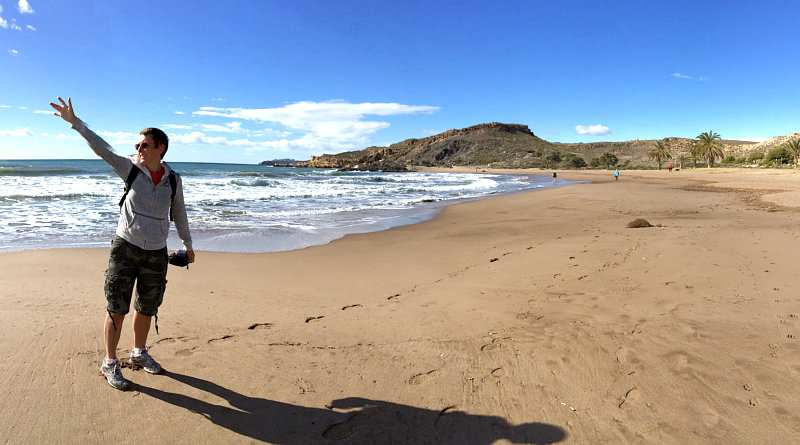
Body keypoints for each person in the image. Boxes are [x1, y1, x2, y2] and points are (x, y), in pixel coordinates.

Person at [50, 97, 195, 390]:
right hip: (125, 248)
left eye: (144, 145)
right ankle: (110, 363)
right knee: (117, 307)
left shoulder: (173, 180)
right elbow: (101, 148)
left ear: (160, 148)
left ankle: (139, 353)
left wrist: (188, 244)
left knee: (146, 307)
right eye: (137, 145)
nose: (138, 149)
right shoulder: (128, 168)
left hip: (156, 252)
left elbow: (179, 212)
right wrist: (76, 123)